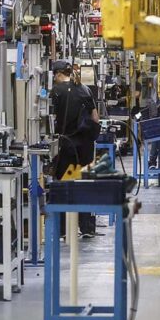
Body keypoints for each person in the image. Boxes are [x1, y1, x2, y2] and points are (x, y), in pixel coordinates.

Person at [50, 59, 102, 237]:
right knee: (85, 184)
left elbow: (51, 120)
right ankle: (87, 226)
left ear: (57, 74)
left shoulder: (56, 91)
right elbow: (95, 119)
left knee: (64, 185)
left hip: (66, 145)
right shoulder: (85, 89)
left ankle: (64, 229)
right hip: (85, 146)